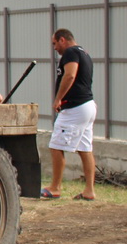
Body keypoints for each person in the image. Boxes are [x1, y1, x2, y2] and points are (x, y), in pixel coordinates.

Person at [41, 28, 97, 201]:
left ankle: (55, 188)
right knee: (85, 149)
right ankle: (89, 191)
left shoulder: (71, 52)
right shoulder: (84, 53)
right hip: (88, 105)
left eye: (55, 43)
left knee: (56, 146)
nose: (55, 48)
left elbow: (70, 75)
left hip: (75, 107)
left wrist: (58, 99)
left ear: (62, 40)